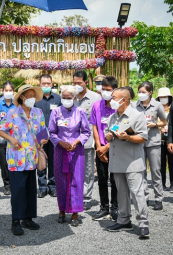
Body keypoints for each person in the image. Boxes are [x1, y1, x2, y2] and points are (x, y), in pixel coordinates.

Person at [0, 84, 48, 236]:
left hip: (32, 157)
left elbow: (42, 132)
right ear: (22, 98)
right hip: (16, 158)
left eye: (33, 95)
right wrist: (10, 138)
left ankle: (28, 218)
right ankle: (16, 221)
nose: (32, 98)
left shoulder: (38, 112)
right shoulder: (12, 112)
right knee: (18, 191)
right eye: (29, 95)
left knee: (31, 189)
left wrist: (43, 140)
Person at [105, 88, 149, 240]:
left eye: (114, 97)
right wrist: (109, 136)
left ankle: (143, 223)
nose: (111, 100)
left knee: (137, 193)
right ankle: (124, 220)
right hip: (117, 161)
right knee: (121, 192)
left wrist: (128, 137)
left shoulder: (137, 116)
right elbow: (107, 133)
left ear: (123, 100)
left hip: (132, 162)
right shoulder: (112, 117)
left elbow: (143, 138)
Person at [49, 85, 90, 227]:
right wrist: (60, 142)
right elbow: (51, 132)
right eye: (64, 97)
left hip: (76, 151)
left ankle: (75, 213)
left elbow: (86, 132)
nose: (66, 100)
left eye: (69, 98)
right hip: (60, 150)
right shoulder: (55, 112)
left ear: (74, 98)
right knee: (60, 180)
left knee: (76, 180)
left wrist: (77, 141)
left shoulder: (80, 112)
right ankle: (61, 210)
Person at [90, 76, 118, 221]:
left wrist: (107, 147)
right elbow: (94, 126)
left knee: (115, 180)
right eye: (103, 89)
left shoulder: (118, 106)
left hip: (114, 148)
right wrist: (99, 147)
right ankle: (104, 207)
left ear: (114, 91)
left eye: (109, 90)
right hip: (100, 147)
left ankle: (115, 208)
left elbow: (119, 129)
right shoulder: (96, 105)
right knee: (101, 179)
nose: (105, 92)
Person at [134, 81, 166, 210]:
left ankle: (158, 199)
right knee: (141, 172)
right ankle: (145, 198)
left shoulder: (157, 105)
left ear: (150, 92)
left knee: (156, 171)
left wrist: (155, 124)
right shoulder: (134, 105)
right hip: (139, 142)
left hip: (153, 142)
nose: (141, 94)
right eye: (139, 92)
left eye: (143, 92)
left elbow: (164, 122)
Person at [72, 71, 101, 210]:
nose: (77, 85)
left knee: (88, 169)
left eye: (79, 83)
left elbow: (97, 121)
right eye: (74, 83)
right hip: (71, 140)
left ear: (85, 82)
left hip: (87, 140)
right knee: (73, 169)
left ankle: (87, 196)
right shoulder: (70, 96)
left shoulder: (95, 97)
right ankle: (76, 194)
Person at [35, 74, 61, 198]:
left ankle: (53, 187)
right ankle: (42, 187)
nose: (46, 86)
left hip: (54, 134)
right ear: (40, 84)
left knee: (53, 161)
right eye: (43, 83)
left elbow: (62, 117)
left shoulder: (58, 98)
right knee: (40, 160)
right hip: (40, 134)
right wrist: (40, 136)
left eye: (48, 83)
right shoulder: (36, 99)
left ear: (51, 84)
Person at [0, 81, 16, 195]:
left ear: (13, 92)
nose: (8, 92)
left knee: (13, 161)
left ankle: (15, 183)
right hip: (1, 137)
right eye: (6, 90)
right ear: (2, 91)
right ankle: (7, 185)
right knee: (4, 162)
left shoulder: (17, 105)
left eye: (10, 90)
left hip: (14, 138)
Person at [156, 87, 173, 192]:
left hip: (170, 140)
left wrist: (168, 127)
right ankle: (162, 183)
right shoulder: (156, 108)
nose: (163, 99)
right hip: (159, 139)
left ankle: (172, 183)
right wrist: (160, 127)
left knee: (172, 162)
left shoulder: (172, 108)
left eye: (165, 97)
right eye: (161, 97)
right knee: (160, 163)